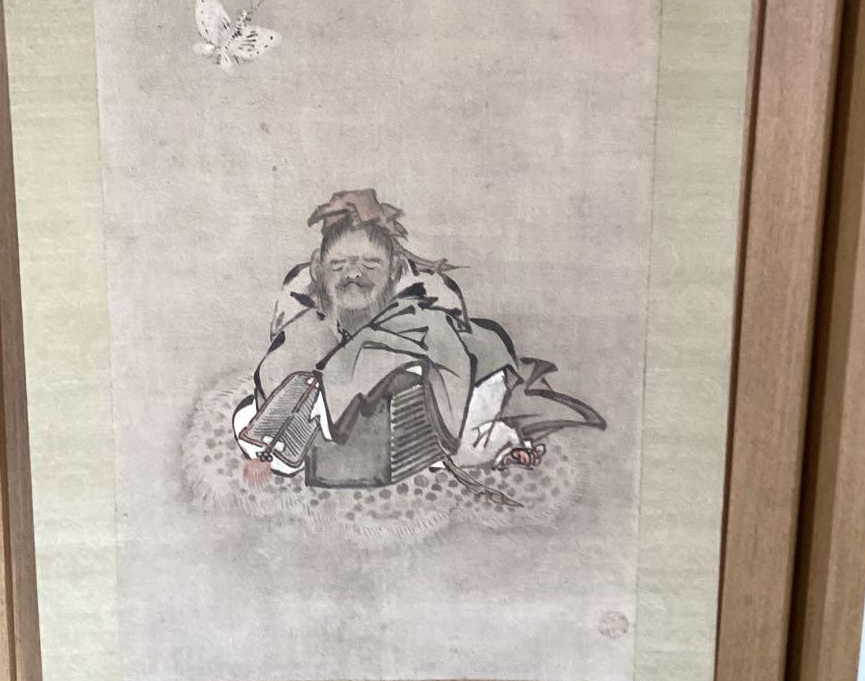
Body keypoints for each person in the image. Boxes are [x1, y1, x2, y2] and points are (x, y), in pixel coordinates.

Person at [232, 189, 604, 484]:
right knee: (267, 396)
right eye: (339, 265)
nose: (353, 274)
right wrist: (267, 448)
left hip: (430, 403)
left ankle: (500, 445)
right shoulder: (306, 310)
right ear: (318, 268)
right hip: (342, 426)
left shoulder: (424, 304)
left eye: (370, 265)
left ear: (395, 270)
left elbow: (451, 360)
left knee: (471, 411)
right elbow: (285, 369)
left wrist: (380, 358)